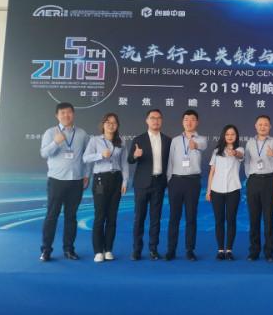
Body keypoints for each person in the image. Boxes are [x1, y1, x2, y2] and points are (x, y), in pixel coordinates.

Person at [39, 102, 89, 261]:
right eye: (62, 113)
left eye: (69, 112)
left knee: (71, 217)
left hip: (76, 181)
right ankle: (46, 250)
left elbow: (87, 157)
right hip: (57, 180)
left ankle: (69, 249)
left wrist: (86, 175)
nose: (66, 115)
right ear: (57, 115)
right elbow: (43, 153)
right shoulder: (50, 132)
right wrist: (56, 142)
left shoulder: (82, 134)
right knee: (51, 216)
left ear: (73, 114)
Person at [83, 113, 129, 263]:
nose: (111, 125)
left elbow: (124, 163)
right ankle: (98, 251)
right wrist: (100, 155)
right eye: (108, 122)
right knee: (100, 215)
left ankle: (108, 249)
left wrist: (125, 181)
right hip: (100, 181)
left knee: (112, 216)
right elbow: (85, 158)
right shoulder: (95, 140)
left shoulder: (121, 141)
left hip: (116, 180)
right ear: (103, 124)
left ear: (117, 125)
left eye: (114, 122)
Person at [128, 109, 171, 261]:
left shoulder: (167, 140)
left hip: (159, 183)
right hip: (142, 184)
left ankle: (153, 249)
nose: (155, 121)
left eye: (158, 118)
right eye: (152, 118)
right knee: (139, 217)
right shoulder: (139, 139)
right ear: (147, 120)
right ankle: (137, 250)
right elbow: (130, 160)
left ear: (162, 121)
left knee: (155, 218)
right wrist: (135, 155)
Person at [166, 110, 207, 261]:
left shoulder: (202, 139)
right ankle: (171, 250)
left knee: (191, 217)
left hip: (192, 181)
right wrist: (169, 180)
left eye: (192, 119)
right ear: (182, 122)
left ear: (197, 122)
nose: (189, 122)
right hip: (176, 181)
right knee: (174, 217)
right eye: (186, 119)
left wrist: (194, 145)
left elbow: (202, 146)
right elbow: (170, 161)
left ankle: (190, 250)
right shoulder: (175, 140)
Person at [244, 115, 273, 262]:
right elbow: (247, 162)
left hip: (269, 181)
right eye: (260, 124)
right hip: (253, 181)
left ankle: (269, 252)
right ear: (255, 126)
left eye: (266, 124)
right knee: (254, 218)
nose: (263, 127)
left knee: (268, 218)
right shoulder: (250, 142)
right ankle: (254, 251)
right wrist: (250, 176)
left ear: (270, 127)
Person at [206, 125, 245, 260]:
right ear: (224, 136)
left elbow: (240, 155)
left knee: (231, 220)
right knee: (219, 220)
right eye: (227, 134)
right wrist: (208, 191)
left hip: (233, 190)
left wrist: (234, 153)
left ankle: (229, 250)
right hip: (216, 190)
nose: (230, 136)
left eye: (232, 134)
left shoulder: (240, 149)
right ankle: (220, 250)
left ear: (236, 136)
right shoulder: (216, 151)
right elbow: (212, 172)